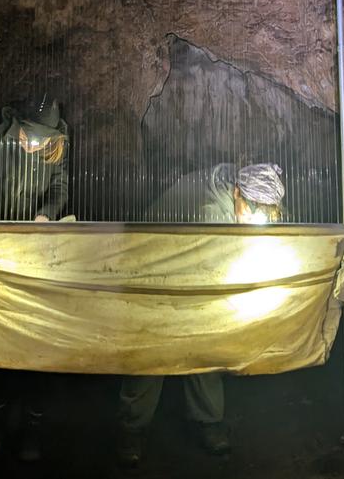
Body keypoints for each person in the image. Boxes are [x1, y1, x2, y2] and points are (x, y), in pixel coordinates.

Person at [117, 162, 285, 467]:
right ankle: (133, 429)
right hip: (154, 268)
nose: (257, 217)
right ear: (237, 192)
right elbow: (213, 268)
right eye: (254, 209)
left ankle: (208, 421)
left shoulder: (239, 198)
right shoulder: (210, 212)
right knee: (154, 350)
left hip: (194, 272)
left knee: (204, 345)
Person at [0, 96, 69, 461]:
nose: (34, 145)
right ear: (19, 125)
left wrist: (46, 215)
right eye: (29, 137)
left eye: (41, 140)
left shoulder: (55, 144)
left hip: (37, 254)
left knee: (36, 339)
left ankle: (33, 425)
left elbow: (59, 189)